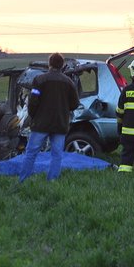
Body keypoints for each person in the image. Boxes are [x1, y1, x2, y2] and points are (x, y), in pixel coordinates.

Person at [17, 52, 81, 182]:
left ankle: (23, 180)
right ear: (62, 65)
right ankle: (52, 180)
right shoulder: (69, 82)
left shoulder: (39, 80)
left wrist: (33, 116)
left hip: (41, 124)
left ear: (49, 64)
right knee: (57, 155)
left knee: (31, 153)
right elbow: (75, 103)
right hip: (60, 124)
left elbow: (33, 100)